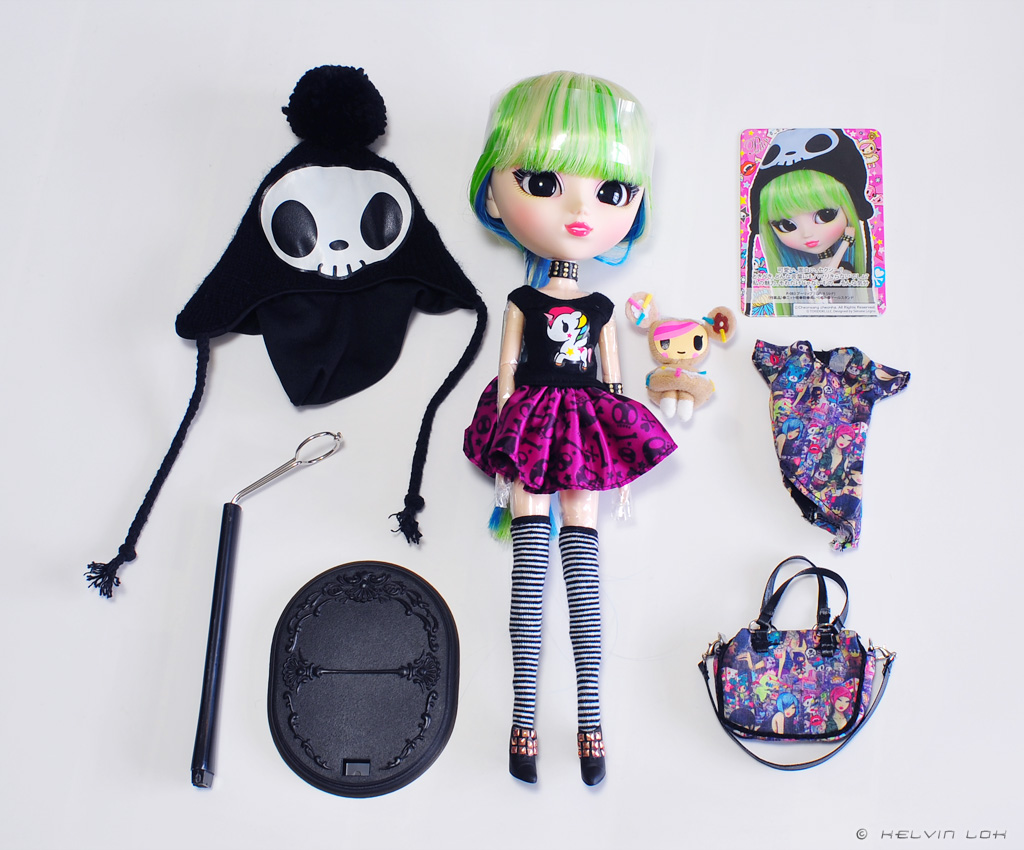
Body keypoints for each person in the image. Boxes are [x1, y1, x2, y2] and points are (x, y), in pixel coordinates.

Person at [463, 71, 676, 786]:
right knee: (530, 572)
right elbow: (507, 368)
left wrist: (620, 441)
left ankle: (590, 720)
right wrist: (502, 423)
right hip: (531, 422)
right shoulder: (521, 300)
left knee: (581, 570)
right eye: (544, 183)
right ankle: (523, 718)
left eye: (610, 190)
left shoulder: (602, 307)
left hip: (583, 426)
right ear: (496, 193)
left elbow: (613, 382)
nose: (581, 209)